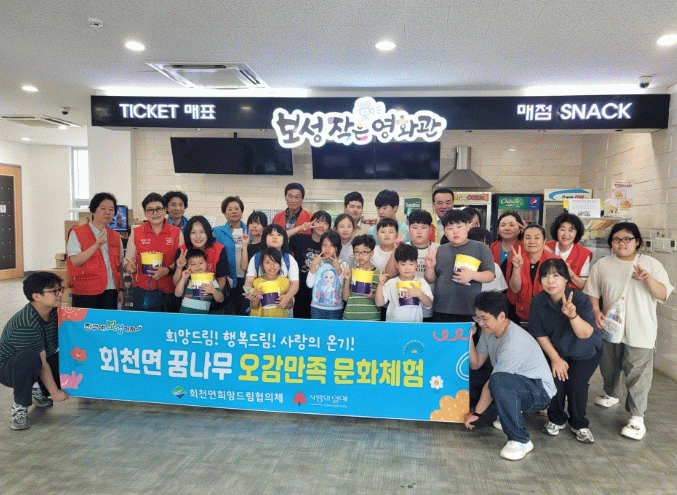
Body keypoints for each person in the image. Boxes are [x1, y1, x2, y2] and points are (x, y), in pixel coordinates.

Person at [584, 222, 673, 440]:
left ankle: (637, 417)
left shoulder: (651, 264)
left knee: (638, 372)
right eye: (616, 239)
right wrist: (595, 310)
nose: (622, 243)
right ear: (611, 243)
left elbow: (663, 294)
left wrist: (648, 279)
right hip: (611, 326)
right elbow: (592, 291)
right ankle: (612, 393)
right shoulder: (603, 264)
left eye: (627, 239)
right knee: (609, 365)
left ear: (637, 242)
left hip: (641, 328)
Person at [464, 291, 556, 461]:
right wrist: (468, 338)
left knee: (497, 382)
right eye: (477, 318)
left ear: (501, 316)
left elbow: (493, 383)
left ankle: (520, 440)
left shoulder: (513, 341)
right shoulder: (487, 331)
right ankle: (506, 411)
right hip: (513, 383)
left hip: (539, 392)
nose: (480, 323)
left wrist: (477, 413)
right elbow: (476, 364)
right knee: (467, 378)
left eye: (484, 318)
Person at [528, 259, 602, 443]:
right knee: (555, 382)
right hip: (557, 350)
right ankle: (556, 419)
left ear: (566, 279)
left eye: (556, 275)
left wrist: (573, 315)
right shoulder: (538, 301)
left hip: (584, 351)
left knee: (576, 385)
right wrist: (555, 359)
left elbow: (585, 334)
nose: (550, 281)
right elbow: (539, 334)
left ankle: (579, 424)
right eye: (545, 276)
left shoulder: (579, 299)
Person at [0, 272, 70, 430]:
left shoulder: (53, 312)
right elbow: (42, 363)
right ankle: (20, 407)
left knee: (72, 357)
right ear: (36, 296)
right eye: (54, 291)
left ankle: (37, 388)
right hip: (10, 369)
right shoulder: (26, 323)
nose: (60, 294)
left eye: (60, 289)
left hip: (38, 362)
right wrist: (55, 392)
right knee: (30, 357)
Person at [424, 209, 495, 323]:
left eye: (459, 226)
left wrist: (472, 275)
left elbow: (490, 275)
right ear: (444, 231)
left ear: (467, 226)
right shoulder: (440, 250)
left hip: (470, 309)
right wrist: (430, 267)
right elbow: (431, 279)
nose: (455, 232)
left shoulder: (481, 247)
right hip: (441, 308)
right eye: (450, 228)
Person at [124, 193, 183, 311]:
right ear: (145, 213)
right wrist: (129, 266)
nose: (155, 213)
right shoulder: (136, 232)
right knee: (143, 322)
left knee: (168, 322)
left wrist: (167, 270)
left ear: (165, 210)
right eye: (150, 210)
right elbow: (128, 259)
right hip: (142, 289)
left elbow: (181, 260)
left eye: (159, 209)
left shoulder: (176, 232)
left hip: (169, 289)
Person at [66, 192, 123, 309]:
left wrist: (121, 289)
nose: (107, 212)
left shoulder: (116, 236)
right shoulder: (77, 232)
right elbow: (75, 261)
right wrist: (95, 246)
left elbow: (119, 266)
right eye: (103, 208)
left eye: (111, 209)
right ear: (93, 210)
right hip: (86, 292)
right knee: (87, 321)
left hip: (111, 291)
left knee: (108, 320)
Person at [384, 210, 439, 321]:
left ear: (430, 229)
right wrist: (395, 249)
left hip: (428, 308)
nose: (419, 231)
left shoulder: (438, 249)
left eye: (423, 227)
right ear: (409, 229)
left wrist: (430, 267)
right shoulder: (403, 247)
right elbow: (390, 274)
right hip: (402, 310)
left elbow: (434, 279)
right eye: (414, 227)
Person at [173, 216, 230, 312]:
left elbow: (221, 279)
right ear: (188, 234)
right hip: (188, 305)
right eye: (193, 232)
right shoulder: (183, 250)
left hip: (212, 304)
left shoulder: (219, 249)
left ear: (208, 232)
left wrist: (212, 294)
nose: (198, 237)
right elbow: (176, 283)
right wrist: (179, 267)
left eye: (202, 232)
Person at [506, 224, 558, 323]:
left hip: (550, 316)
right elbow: (515, 289)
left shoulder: (555, 261)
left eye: (537, 238)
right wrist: (517, 268)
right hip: (523, 315)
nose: (532, 241)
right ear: (522, 241)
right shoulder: (517, 259)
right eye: (527, 238)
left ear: (544, 241)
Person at [244, 224, 299, 314]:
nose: (275, 237)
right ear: (264, 238)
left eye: (279, 235)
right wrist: (252, 293)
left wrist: (287, 297)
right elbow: (248, 282)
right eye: (271, 234)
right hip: (260, 311)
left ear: (284, 239)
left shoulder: (289, 259)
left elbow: (295, 283)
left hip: (283, 309)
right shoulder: (256, 258)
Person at [289, 211, 331, 319]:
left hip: (321, 293)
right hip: (301, 290)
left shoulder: (329, 246)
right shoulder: (300, 239)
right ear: (312, 222)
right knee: (301, 323)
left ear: (329, 227)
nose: (321, 225)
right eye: (318, 221)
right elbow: (281, 237)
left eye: (325, 223)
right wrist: (300, 228)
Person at [376, 244, 433, 322]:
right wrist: (380, 284)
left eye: (411, 264)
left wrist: (419, 294)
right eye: (403, 264)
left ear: (416, 264)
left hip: (415, 326)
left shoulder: (421, 282)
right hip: (393, 325)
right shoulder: (391, 283)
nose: (407, 268)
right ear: (397, 265)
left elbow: (429, 304)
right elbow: (379, 303)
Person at [213, 196, 249, 315]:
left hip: (247, 279)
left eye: (237, 208)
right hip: (227, 278)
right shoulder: (217, 232)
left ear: (242, 211)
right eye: (229, 209)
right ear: (224, 213)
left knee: (245, 310)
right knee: (227, 310)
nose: (234, 211)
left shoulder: (250, 231)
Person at [307, 231, 348, 319]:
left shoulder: (343, 264)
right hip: (316, 307)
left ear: (337, 248)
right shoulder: (317, 263)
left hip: (335, 309)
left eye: (331, 245)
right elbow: (309, 284)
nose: (327, 248)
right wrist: (313, 265)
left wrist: (338, 268)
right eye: (324, 245)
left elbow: (343, 286)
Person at [546, 212, 593, 290]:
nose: (566, 234)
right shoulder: (546, 247)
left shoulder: (584, 254)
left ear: (577, 233)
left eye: (571, 230)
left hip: (571, 294)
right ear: (556, 230)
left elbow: (584, 287)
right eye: (562, 229)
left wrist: (570, 273)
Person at [245, 248, 293, 318]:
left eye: (275, 262)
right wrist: (257, 298)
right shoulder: (256, 282)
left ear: (280, 265)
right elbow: (253, 306)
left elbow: (290, 305)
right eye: (267, 262)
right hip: (260, 320)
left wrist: (284, 301)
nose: (272, 266)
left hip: (278, 320)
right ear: (262, 265)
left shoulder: (285, 282)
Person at [342, 235, 381, 321]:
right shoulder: (350, 273)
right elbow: (345, 298)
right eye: (357, 252)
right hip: (350, 317)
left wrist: (373, 295)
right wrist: (347, 280)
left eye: (365, 252)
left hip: (371, 319)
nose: (361, 255)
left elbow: (382, 301)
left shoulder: (378, 274)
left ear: (372, 253)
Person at [174, 249, 225, 314]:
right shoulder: (187, 278)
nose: (198, 266)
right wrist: (183, 278)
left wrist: (213, 291)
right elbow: (177, 294)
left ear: (206, 263)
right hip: (184, 315)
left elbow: (221, 299)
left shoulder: (210, 279)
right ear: (187, 266)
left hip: (202, 317)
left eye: (201, 263)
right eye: (193, 264)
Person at [468, 227, 508, 293]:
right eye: (479, 244)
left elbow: (499, 293)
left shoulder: (495, 267)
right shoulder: (461, 265)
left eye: (486, 244)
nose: (483, 248)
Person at [489, 211, 525, 277]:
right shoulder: (491, 247)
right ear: (498, 229)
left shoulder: (526, 247)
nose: (507, 228)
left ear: (520, 228)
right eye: (503, 225)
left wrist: (529, 232)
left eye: (511, 225)